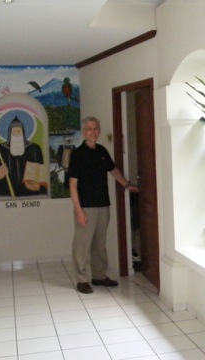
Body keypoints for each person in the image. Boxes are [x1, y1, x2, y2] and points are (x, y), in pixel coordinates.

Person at [68, 116, 138, 294]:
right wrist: (78, 210)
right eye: (90, 129)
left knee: (99, 244)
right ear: (84, 132)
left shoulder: (102, 151)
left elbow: (113, 170)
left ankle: (99, 276)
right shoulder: (78, 155)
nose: (94, 132)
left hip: (103, 205)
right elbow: (73, 184)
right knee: (82, 245)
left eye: (96, 128)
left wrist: (127, 184)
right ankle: (82, 280)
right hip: (86, 207)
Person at [0, 116, 47, 197]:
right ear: (10, 133)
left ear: (23, 132)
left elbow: (42, 176)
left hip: (30, 194)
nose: (17, 134)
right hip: (6, 195)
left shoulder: (34, 149)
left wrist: (38, 186)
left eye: (19, 131)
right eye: (14, 132)